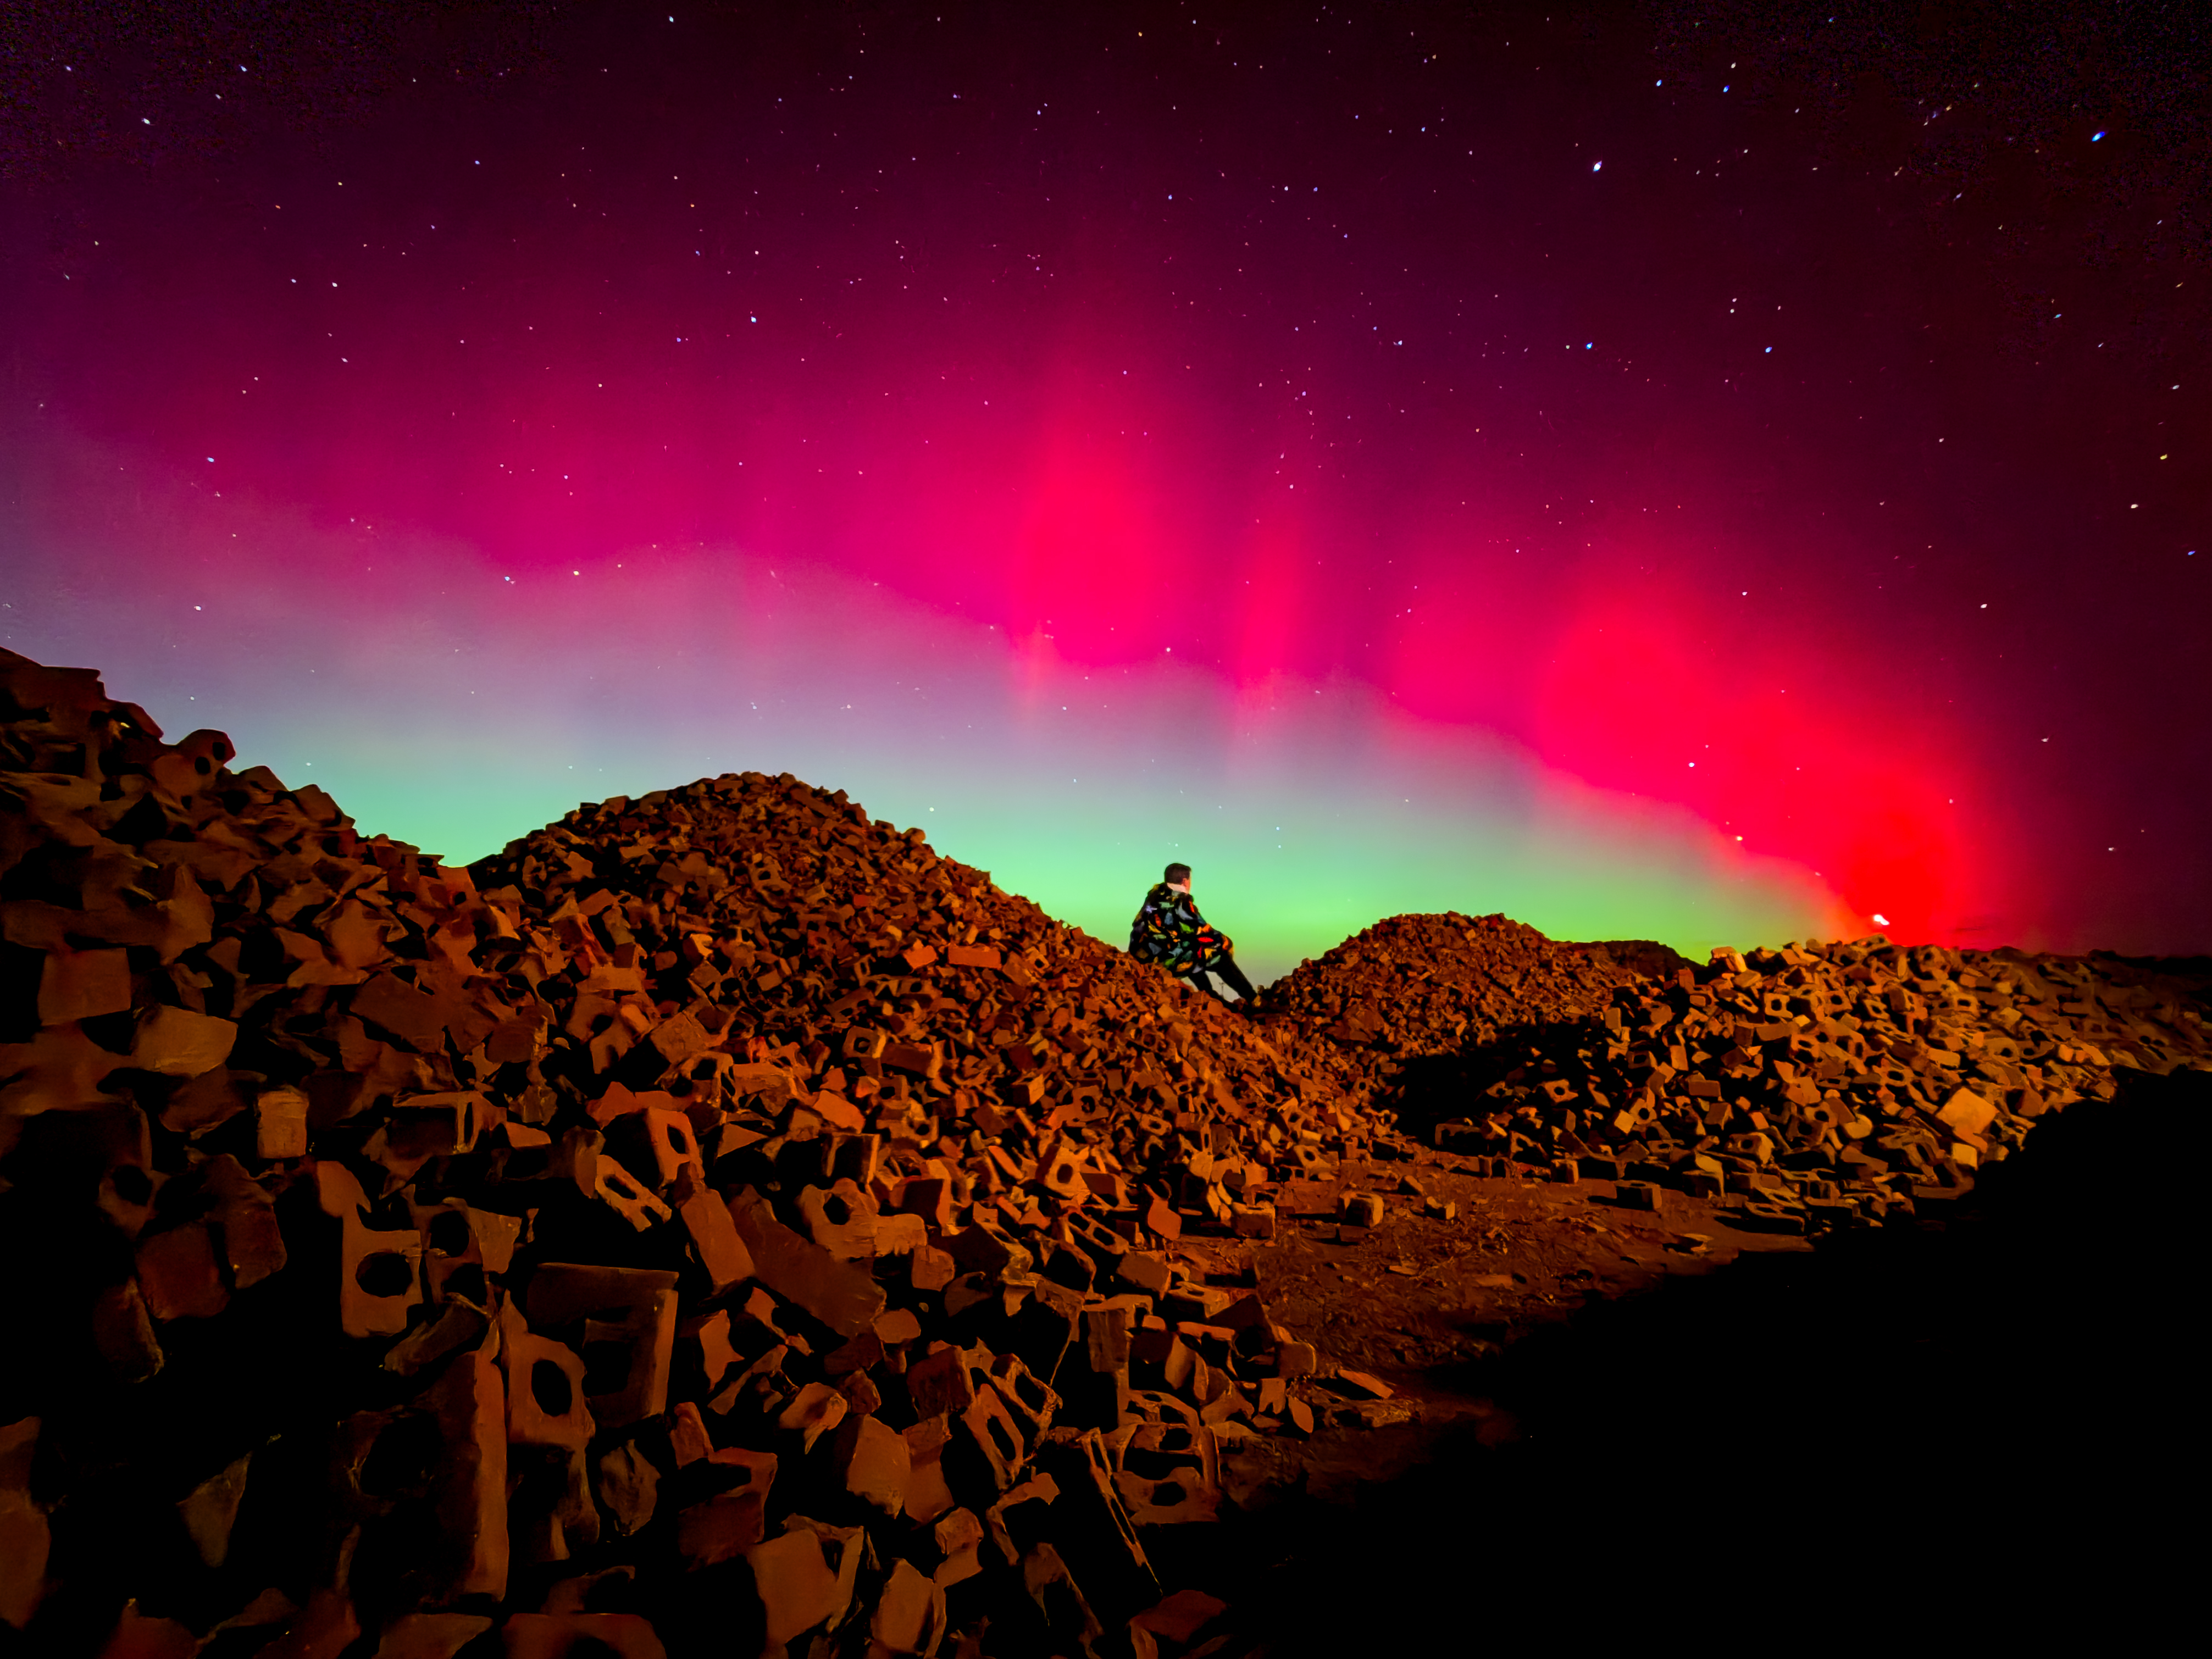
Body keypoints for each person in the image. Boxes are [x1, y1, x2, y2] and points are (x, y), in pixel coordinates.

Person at [1128, 862, 1260, 1005]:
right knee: (1218, 955)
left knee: (1191, 949)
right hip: (1163, 959)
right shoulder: (1181, 903)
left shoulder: (1155, 895)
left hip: (1146, 954)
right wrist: (1225, 942)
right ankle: (1252, 998)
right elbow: (1201, 930)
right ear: (1185, 881)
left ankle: (1212, 998)